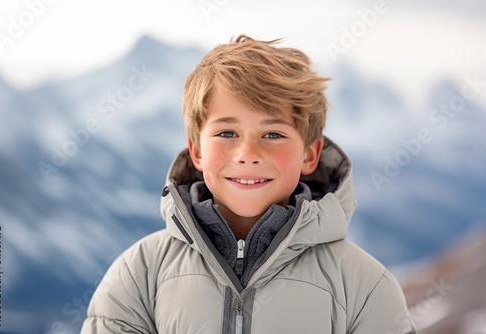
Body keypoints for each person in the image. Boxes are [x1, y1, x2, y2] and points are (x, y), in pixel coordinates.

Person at [81, 35, 416, 334]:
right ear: (196, 150)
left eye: (273, 134)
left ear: (309, 154)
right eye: (227, 133)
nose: (247, 153)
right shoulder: (139, 275)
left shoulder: (364, 287)